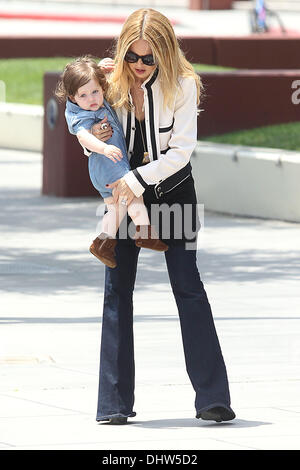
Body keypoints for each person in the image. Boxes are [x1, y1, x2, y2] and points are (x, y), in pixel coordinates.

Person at [89, 8, 235, 425]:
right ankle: (113, 403)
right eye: (131, 57)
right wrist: (97, 149)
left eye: (148, 58)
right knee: (117, 290)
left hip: (173, 191)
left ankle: (213, 398)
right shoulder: (110, 81)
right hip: (123, 195)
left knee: (188, 287)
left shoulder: (184, 84)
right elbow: (87, 125)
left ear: (165, 53)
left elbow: (181, 152)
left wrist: (136, 178)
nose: (138, 66)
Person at [55, 56, 168, 269]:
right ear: (72, 97)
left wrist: (99, 67)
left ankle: (103, 241)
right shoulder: (82, 115)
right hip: (109, 164)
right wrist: (104, 147)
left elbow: (92, 80)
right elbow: (83, 137)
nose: (92, 99)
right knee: (133, 195)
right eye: (84, 95)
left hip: (100, 170)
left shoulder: (91, 102)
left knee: (116, 208)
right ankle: (145, 232)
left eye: (96, 92)